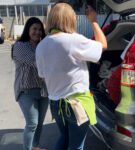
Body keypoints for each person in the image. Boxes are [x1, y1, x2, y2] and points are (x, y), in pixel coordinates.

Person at [36, 3, 107, 150]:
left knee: (65, 138)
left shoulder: (41, 46)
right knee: (76, 146)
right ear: (70, 19)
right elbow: (103, 45)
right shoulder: (73, 40)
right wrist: (93, 21)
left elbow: (42, 75)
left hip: (56, 104)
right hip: (76, 104)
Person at [12, 17, 48, 150]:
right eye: (34, 29)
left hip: (43, 91)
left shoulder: (42, 46)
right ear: (28, 29)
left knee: (39, 124)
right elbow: (36, 63)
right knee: (32, 123)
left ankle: (35, 146)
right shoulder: (19, 46)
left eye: (40, 30)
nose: (37, 32)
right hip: (26, 92)